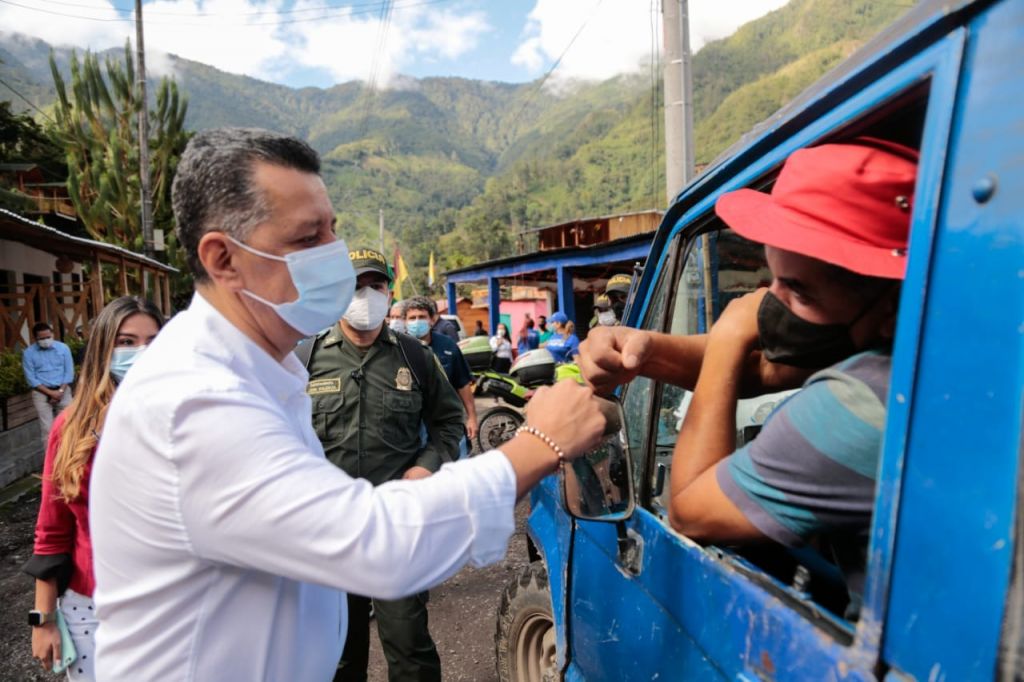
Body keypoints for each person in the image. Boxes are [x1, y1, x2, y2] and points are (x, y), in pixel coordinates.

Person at [88, 127, 607, 681]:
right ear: (224, 259)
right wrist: (539, 442)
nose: (333, 257)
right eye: (309, 238)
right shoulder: (192, 403)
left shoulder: (270, 370)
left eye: (332, 230)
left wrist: (427, 467)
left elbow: (443, 419)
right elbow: (376, 544)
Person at [578, 139, 915, 613]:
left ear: (891, 306)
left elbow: (691, 511)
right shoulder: (897, 347)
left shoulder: (859, 406)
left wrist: (731, 332)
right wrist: (645, 349)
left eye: (797, 291)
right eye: (770, 274)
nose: (764, 300)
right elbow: (765, 370)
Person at [298, 255, 464, 682]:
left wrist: (426, 467)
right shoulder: (305, 357)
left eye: (376, 286)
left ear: (389, 293)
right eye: (357, 287)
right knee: (336, 655)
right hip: (328, 531)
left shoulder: (415, 358)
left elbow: (448, 423)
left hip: (396, 526)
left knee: (410, 650)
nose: (366, 296)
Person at [23, 296, 163, 681]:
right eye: (127, 341)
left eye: (153, 341)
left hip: (171, 608)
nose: (141, 352)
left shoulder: (186, 418)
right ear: (104, 347)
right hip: (91, 610)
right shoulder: (71, 427)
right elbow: (51, 531)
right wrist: (43, 619)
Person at [405, 295, 479, 458]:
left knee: (456, 472)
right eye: (412, 318)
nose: (417, 321)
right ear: (405, 322)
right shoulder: (398, 347)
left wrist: (472, 417)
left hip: (449, 422)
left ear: (432, 320)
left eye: (422, 317)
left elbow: (463, 383)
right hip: (412, 426)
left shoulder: (447, 345)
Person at [22, 322, 75, 447]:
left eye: (48, 336)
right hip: (41, 393)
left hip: (63, 390)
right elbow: (31, 378)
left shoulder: (63, 348)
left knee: (68, 424)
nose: (46, 340)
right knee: (47, 429)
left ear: (52, 334)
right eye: (42, 338)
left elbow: (69, 372)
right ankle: (51, 462)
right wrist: (51, 393)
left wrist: (60, 392)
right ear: (35, 338)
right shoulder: (29, 353)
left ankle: (69, 457)